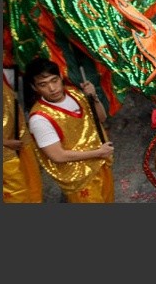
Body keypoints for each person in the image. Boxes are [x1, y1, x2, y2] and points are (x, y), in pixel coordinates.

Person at [26, 58, 115, 203]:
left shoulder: (74, 93)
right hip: (79, 179)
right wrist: (98, 152)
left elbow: (102, 118)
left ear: (61, 76)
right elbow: (58, 156)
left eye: (54, 80)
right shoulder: (39, 119)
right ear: (35, 88)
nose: (52, 88)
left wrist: (94, 97)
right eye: (43, 84)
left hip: (101, 163)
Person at [3, 68, 43, 203]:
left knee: (31, 183)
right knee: (15, 193)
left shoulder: (7, 74)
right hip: (5, 151)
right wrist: (4, 142)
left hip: (19, 139)